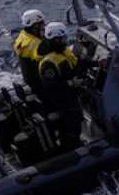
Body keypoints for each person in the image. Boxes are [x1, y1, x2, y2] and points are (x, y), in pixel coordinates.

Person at [36, 21, 88, 150]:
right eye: (62, 39)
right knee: (73, 126)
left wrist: (95, 62)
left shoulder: (63, 52)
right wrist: (72, 83)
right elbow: (51, 87)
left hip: (72, 96)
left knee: (76, 121)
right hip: (63, 101)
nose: (65, 41)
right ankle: (73, 149)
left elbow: (77, 63)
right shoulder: (48, 63)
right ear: (55, 41)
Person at [13, 9, 46, 91]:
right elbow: (44, 56)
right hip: (40, 84)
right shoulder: (34, 44)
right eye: (40, 24)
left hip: (30, 79)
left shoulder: (23, 35)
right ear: (33, 26)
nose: (43, 25)